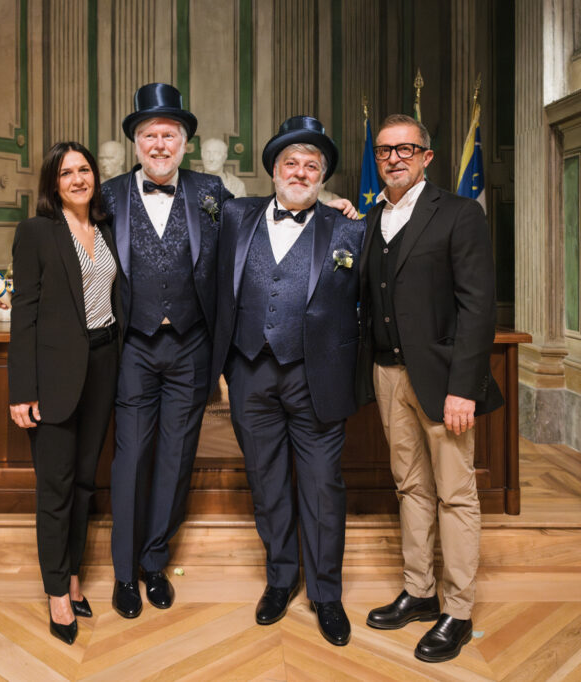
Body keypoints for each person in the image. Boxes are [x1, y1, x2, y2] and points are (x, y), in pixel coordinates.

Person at [211, 116, 365, 646]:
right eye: (291, 163)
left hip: (317, 379)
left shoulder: (350, 229)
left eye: (311, 166)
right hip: (249, 372)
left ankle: (326, 593)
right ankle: (280, 579)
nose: (300, 172)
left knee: (322, 487)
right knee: (267, 482)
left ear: (323, 176)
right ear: (273, 171)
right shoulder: (236, 215)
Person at [357, 114, 501, 663]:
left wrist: (464, 388)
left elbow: (478, 307)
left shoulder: (460, 213)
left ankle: (457, 611)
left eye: (406, 149)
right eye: (384, 150)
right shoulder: (373, 218)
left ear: (427, 157)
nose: (394, 158)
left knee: (455, 494)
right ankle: (419, 592)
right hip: (388, 375)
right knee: (410, 488)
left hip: (444, 383)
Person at [99, 83, 234, 619]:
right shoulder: (108, 195)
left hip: (191, 346)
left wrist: (331, 210)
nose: (159, 144)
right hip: (132, 346)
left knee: (177, 458)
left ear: (184, 143)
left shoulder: (211, 191)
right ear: (136, 142)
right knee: (131, 457)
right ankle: (124, 572)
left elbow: (255, 229)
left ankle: (155, 562)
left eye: (169, 136)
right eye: (150, 135)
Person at [7, 141, 121, 645]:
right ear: (53, 184)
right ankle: (56, 591)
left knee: (83, 484)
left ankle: (73, 576)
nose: (78, 179)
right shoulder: (37, 232)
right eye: (66, 173)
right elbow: (24, 314)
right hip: (54, 375)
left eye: (84, 169)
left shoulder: (106, 228)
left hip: (104, 364)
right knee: (55, 488)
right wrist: (21, 391)